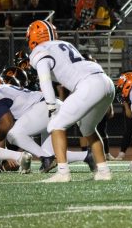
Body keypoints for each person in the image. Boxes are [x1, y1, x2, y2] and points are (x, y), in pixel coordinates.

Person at [26, 19, 115, 182]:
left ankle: (63, 172)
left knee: (55, 125)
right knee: (87, 129)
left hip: (89, 84)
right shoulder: (64, 44)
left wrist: (51, 105)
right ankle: (103, 171)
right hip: (106, 82)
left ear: (33, 38)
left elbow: (44, 78)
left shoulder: (40, 50)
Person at [0, 72, 92, 172]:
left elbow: (7, 123)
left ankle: (45, 158)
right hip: (55, 106)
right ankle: (88, 156)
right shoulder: (6, 89)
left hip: (44, 108)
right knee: (50, 152)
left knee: (13, 134)